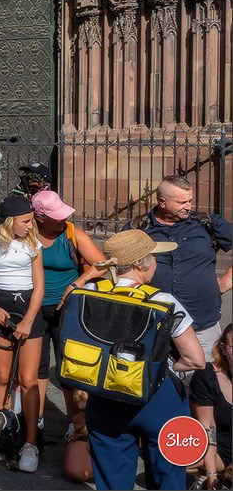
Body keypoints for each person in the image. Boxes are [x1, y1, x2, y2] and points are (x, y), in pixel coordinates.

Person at [82, 230, 205, 490]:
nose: (157, 263)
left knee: (111, 479)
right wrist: (169, 367)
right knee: (169, 477)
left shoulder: (91, 292)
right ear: (140, 264)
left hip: (105, 397)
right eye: (154, 257)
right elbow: (195, 360)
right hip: (158, 401)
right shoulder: (163, 301)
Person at [0, 194, 45, 473]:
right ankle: (1, 431)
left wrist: (28, 320)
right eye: (26, 221)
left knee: (28, 379)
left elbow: (39, 285)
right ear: (10, 221)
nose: (31, 226)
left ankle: (30, 442)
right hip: (0, 307)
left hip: (28, 308)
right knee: (3, 377)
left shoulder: (33, 243)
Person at [31, 189, 105, 429]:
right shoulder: (26, 232)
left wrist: (78, 282)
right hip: (35, 308)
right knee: (37, 368)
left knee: (68, 366)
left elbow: (102, 265)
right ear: (39, 217)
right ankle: (37, 418)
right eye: (56, 215)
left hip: (67, 309)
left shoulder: (72, 234)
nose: (63, 218)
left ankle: (75, 422)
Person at [136, 175, 232, 358]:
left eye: (190, 201)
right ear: (162, 202)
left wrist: (228, 280)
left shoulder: (207, 225)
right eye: (182, 202)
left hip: (202, 325)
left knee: (203, 381)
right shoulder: (139, 229)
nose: (189, 206)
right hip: (153, 325)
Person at [190, 323, 231, 488]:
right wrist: (211, 475)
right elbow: (208, 427)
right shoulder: (207, 376)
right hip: (222, 448)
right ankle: (216, 475)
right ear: (223, 347)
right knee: (178, 459)